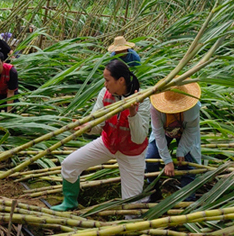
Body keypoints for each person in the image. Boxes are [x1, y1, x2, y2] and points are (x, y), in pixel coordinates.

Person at [51, 60, 150, 211]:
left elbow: (138, 138)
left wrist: (133, 113)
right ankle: (69, 203)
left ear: (121, 80)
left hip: (132, 152)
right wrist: (85, 127)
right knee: (69, 165)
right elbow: (97, 124)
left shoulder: (142, 99)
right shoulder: (105, 94)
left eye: (107, 80)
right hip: (107, 143)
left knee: (131, 207)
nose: (105, 84)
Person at [145, 81, 201, 202]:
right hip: (165, 132)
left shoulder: (193, 108)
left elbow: (191, 131)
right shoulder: (155, 108)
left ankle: (188, 200)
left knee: (188, 164)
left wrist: (181, 151)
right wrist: (167, 160)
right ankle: (154, 193)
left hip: (185, 132)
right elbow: (158, 134)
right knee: (150, 159)